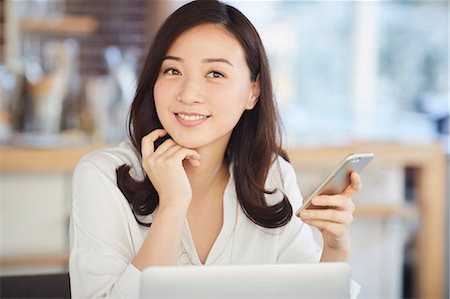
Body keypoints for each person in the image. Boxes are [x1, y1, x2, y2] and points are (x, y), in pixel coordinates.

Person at [69, 1, 362, 298]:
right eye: (172, 70)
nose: (189, 94)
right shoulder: (102, 176)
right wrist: (172, 206)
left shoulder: (272, 177)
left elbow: (308, 294)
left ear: (253, 91)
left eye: (215, 74)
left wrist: (336, 249)